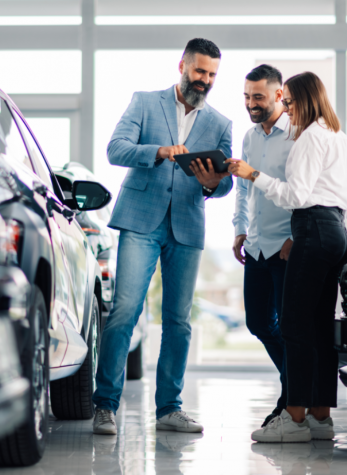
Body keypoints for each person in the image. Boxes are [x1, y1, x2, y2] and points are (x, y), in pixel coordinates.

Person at [92, 38, 233, 435]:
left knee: (178, 320)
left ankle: (169, 409)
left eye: (211, 74)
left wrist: (211, 184)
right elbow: (115, 149)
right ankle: (105, 405)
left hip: (187, 225)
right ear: (182, 66)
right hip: (141, 220)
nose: (205, 80)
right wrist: (159, 151)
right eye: (200, 71)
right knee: (125, 311)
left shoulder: (221, 123)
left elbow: (224, 185)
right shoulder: (144, 102)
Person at [227, 71, 347, 443]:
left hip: (311, 228)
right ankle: (321, 418)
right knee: (320, 326)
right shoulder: (344, 140)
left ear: (303, 100)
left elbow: (297, 197)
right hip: (337, 230)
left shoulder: (308, 138)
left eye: (288, 102)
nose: (286, 109)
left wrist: (254, 174)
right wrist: (329, 199)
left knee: (294, 324)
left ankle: (295, 418)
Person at [231, 64, 295, 428]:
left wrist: (296, 237)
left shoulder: (298, 135)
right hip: (255, 245)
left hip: (285, 248)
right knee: (258, 323)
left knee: (289, 328)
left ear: (278, 94)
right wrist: (240, 228)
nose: (251, 103)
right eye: (246, 96)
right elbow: (243, 186)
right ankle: (295, 389)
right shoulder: (250, 137)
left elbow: (307, 193)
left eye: (258, 96)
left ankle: (291, 400)